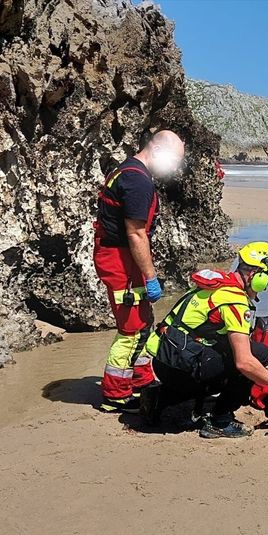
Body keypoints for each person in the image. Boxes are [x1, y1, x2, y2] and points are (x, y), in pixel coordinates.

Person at [139, 243, 268, 438]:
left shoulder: (218, 284)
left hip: (163, 361)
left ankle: (159, 398)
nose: (263, 290)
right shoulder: (234, 300)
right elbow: (244, 363)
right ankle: (220, 421)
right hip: (180, 367)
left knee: (224, 356)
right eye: (266, 282)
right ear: (256, 276)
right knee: (256, 356)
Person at [93, 130, 185, 413]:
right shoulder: (137, 180)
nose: (173, 168)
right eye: (173, 161)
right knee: (131, 330)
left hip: (123, 258)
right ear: (157, 150)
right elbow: (135, 234)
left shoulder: (128, 172)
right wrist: (151, 277)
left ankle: (141, 380)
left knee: (144, 323)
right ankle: (116, 394)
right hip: (121, 261)